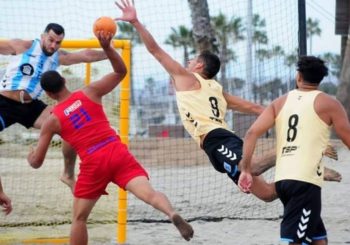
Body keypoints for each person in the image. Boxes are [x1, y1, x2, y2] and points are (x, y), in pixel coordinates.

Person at [114, 0, 340, 202]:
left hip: (217, 138)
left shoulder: (187, 78)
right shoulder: (216, 90)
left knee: (250, 167)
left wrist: (136, 22)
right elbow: (255, 108)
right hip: (218, 142)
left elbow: (155, 50)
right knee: (267, 194)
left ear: (199, 67)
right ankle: (312, 172)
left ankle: (305, 151)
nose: (188, 62)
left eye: (191, 60)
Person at [26, 31, 194, 244]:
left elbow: (37, 162)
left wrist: (31, 156)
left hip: (94, 162)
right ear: (64, 81)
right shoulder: (90, 91)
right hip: (116, 150)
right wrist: (107, 47)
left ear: (48, 95)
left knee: (79, 219)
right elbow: (120, 71)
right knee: (150, 194)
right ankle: (171, 213)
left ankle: (69, 177)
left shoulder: (52, 120)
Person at [238, 56, 350, 244]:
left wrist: (246, 170)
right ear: (320, 79)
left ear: (298, 76)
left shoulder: (279, 102)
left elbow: (251, 134)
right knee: (294, 240)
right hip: (305, 183)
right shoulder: (330, 104)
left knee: (318, 239)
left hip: (282, 180)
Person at [0, 23, 108, 191]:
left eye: (58, 42)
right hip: (4, 103)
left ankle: (68, 174)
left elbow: (85, 55)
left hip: (31, 107)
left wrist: (108, 51)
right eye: (51, 40)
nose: (53, 45)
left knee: (70, 124)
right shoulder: (22, 46)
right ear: (43, 36)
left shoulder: (57, 57)